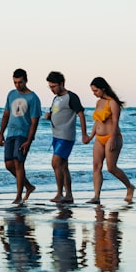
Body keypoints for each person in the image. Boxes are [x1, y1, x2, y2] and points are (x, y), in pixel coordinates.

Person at [83, 76, 135, 204]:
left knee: (111, 167)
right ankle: (96, 196)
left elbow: (115, 122)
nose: (94, 93)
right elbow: (97, 121)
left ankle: (129, 186)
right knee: (96, 166)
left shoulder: (112, 102)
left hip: (112, 137)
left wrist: (112, 139)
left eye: (95, 91)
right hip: (99, 138)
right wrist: (90, 136)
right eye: (92, 91)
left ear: (103, 88)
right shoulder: (98, 102)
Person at [0, 68, 42, 205]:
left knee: (18, 163)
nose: (17, 85)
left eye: (20, 82)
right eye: (15, 82)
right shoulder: (11, 94)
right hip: (11, 133)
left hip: (23, 134)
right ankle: (28, 186)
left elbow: (35, 121)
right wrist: (0, 134)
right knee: (8, 164)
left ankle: (18, 196)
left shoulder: (33, 98)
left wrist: (29, 140)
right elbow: (6, 114)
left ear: (26, 80)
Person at [43, 71, 87, 204]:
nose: (52, 89)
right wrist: (49, 115)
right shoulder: (56, 98)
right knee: (63, 166)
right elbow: (56, 111)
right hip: (56, 136)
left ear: (62, 83)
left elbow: (81, 114)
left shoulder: (71, 97)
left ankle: (59, 194)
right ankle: (68, 195)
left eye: (54, 86)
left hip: (66, 136)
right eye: (50, 87)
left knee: (55, 163)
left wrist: (84, 134)